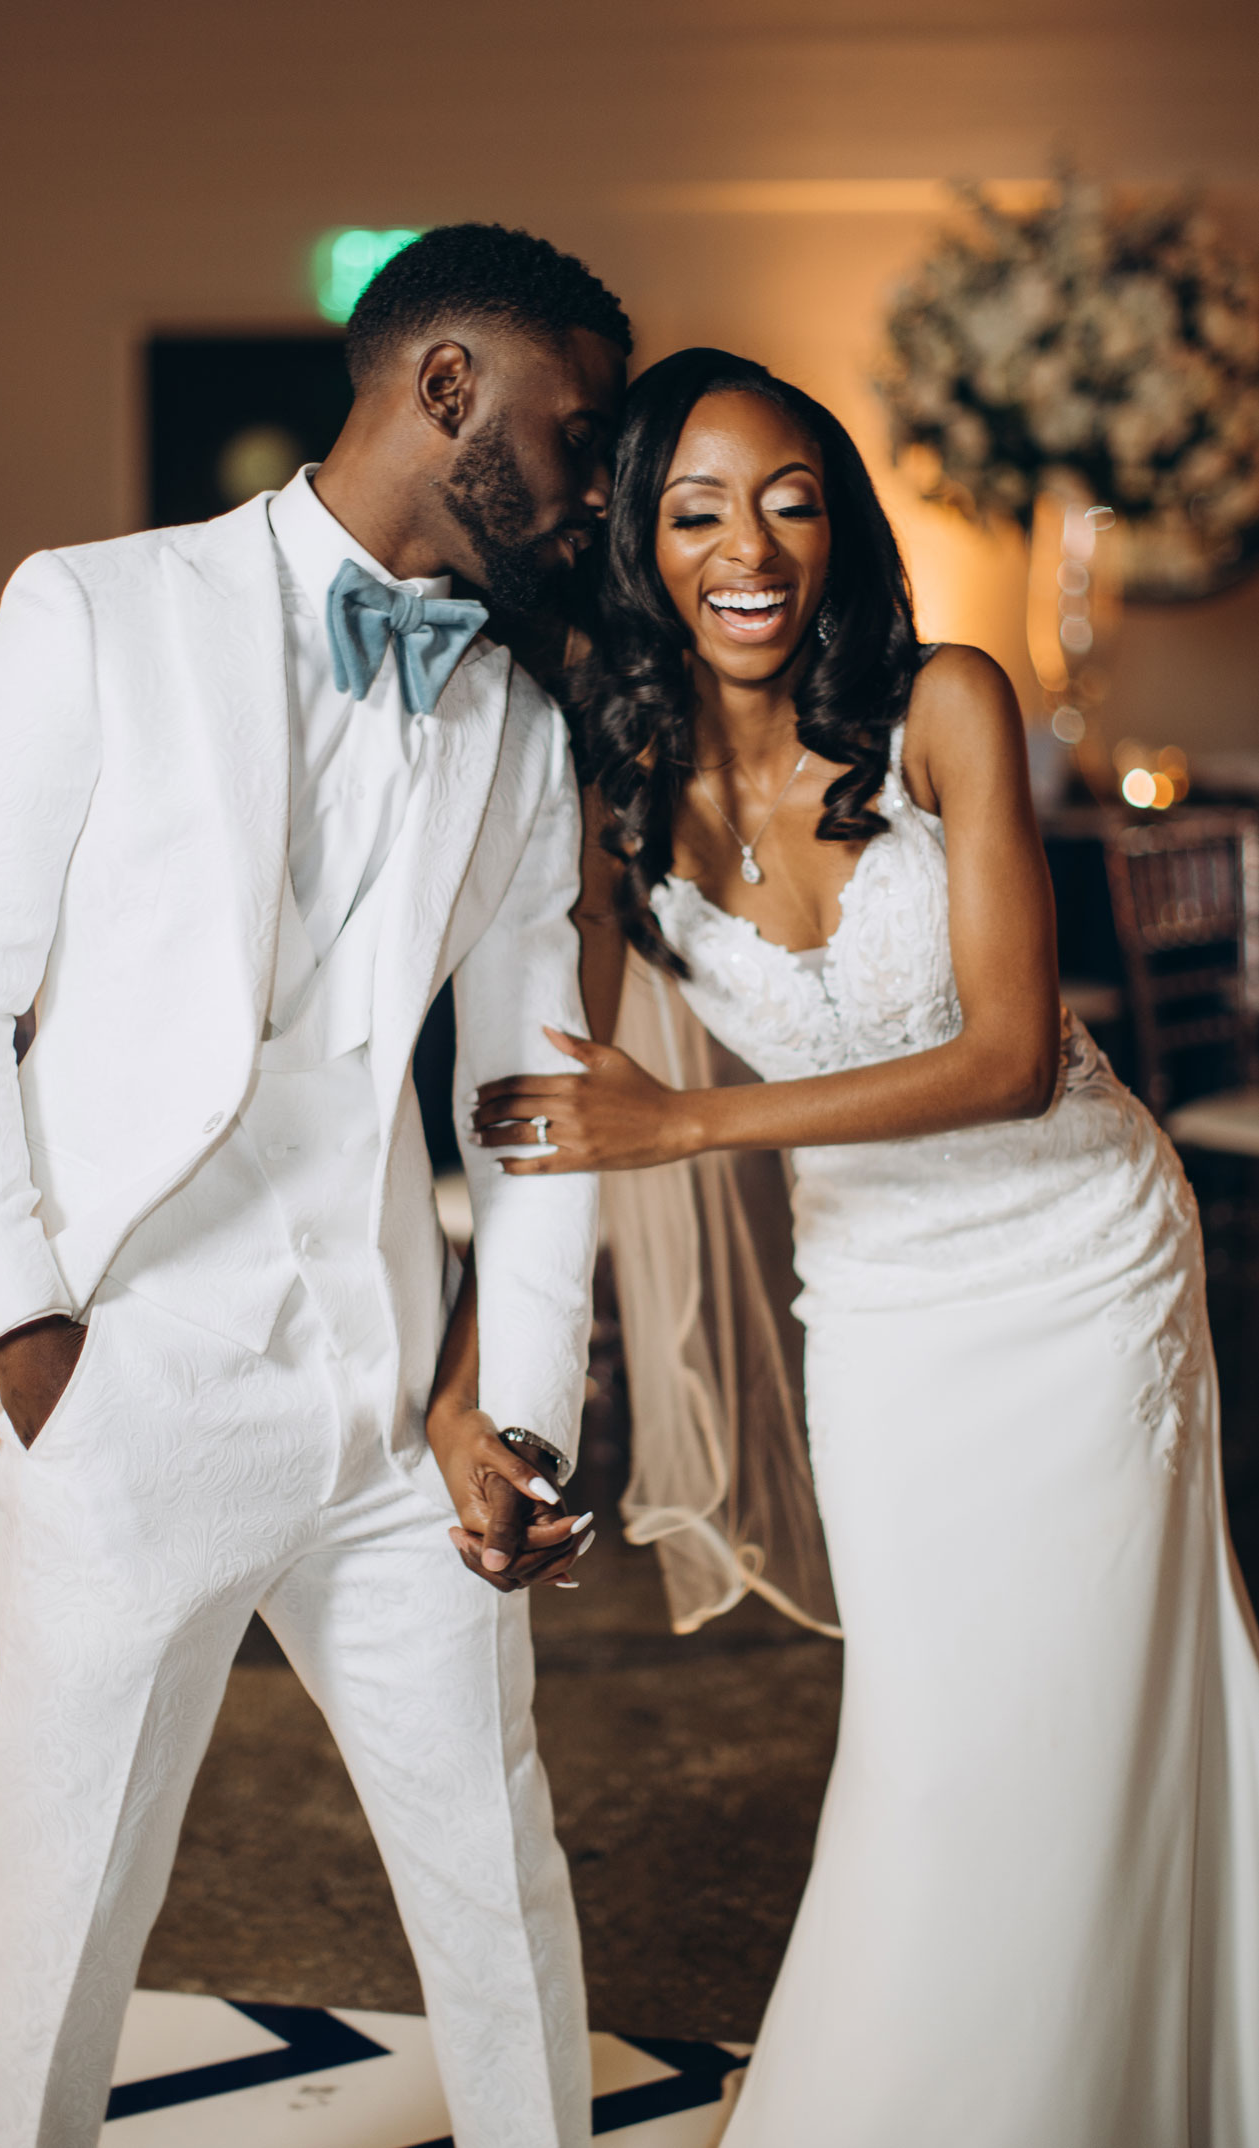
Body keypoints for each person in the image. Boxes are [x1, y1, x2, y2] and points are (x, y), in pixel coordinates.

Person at [0, 223, 629, 2148]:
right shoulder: (96, 611)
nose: (599, 484)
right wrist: (32, 1341)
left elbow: (527, 1093)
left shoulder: (519, 717)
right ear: (447, 389)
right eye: (580, 428)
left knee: (499, 1877)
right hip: (125, 1384)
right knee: (63, 1899)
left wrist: (510, 1408)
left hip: (387, 1419)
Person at [466, 348, 1259, 2146]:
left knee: (1081, 1711)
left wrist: (685, 1126)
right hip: (885, 1312)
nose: (749, 547)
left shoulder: (943, 710)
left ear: (836, 526)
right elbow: (558, 1110)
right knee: (931, 1732)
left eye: (790, 500)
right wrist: (480, 1386)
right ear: (637, 547)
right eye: (695, 512)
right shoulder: (614, 791)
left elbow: (997, 1054)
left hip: (1080, 1268)